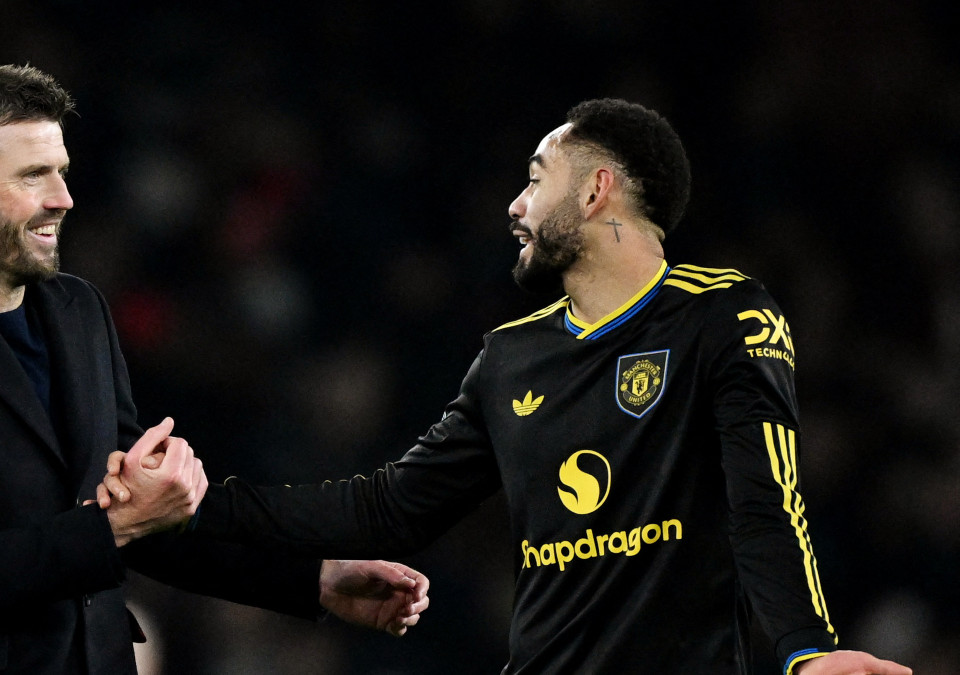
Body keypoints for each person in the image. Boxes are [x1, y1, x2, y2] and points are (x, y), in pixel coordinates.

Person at [102, 99, 912, 674]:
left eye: (536, 177)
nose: (516, 204)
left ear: (597, 189)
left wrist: (806, 648)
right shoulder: (510, 356)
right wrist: (198, 502)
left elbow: (765, 500)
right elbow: (389, 507)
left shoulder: (723, 313)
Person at [0, 62, 428, 675]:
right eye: (33, 176)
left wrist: (311, 582)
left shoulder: (79, 310)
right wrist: (111, 529)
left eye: (62, 172)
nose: (63, 199)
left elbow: (150, 516)